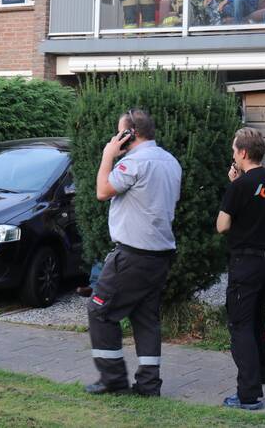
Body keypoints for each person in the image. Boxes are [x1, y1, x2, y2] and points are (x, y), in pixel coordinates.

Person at [86, 108, 182, 397]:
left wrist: (107, 156)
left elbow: (103, 191)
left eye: (119, 132)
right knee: (145, 318)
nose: (116, 137)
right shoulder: (171, 161)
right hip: (160, 255)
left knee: (99, 311)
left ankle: (113, 379)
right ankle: (149, 384)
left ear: (130, 134)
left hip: (132, 255)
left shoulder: (134, 163)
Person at [216, 127, 265, 411]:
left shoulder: (239, 187)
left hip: (246, 263)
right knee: (256, 317)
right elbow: (258, 204)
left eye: (233, 150)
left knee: (240, 324)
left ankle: (249, 395)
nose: (233, 154)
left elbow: (222, 226)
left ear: (242, 152)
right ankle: (263, 372)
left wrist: (233, 186)